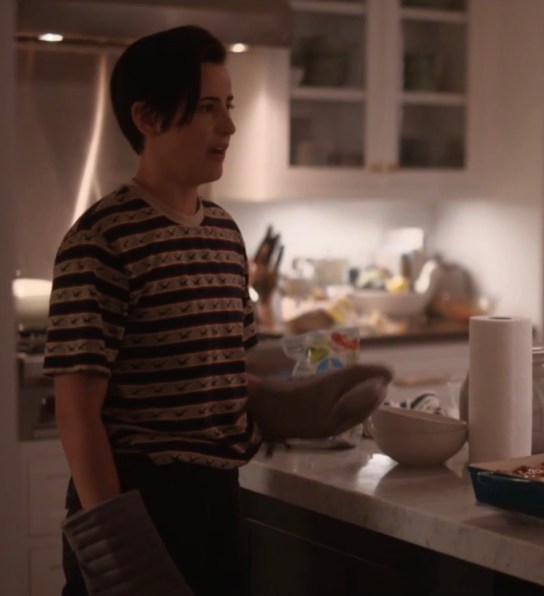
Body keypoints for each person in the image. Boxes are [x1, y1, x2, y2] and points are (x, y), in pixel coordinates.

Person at [45, 26, 390, 596]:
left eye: (228, 106)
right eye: (208, 108)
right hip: (135, 501)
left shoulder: (225, 235)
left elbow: (224, 376)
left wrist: (307, 403)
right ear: (148, 119)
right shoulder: (100, 241)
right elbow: (76, 414)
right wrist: (122, 555)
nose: (229, 126)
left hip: (218, 501)